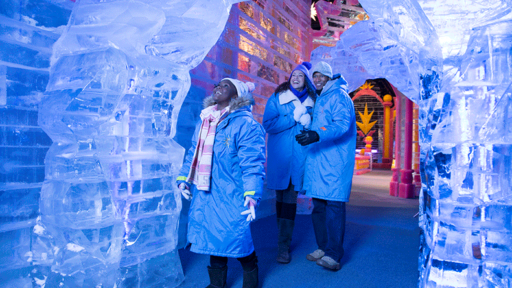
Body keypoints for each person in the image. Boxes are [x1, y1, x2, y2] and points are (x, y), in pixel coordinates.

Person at [177, 78, 266, 288]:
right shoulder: (205, 119)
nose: (218, 87)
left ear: (237, 95)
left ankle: (251, 272)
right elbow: (194, 152)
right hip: (206, 190)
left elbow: (252, 163)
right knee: (212, 237)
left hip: (232, 191)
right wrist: (184, 178)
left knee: (236, 236)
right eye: (217, 84)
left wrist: (252, 194)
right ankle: (217, 284)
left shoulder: (245, 124)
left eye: (226, 86)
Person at [295, 61, 356, 271]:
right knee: (319, 207)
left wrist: (317, 133)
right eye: (315, 76)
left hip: (335, 161)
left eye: (321, 75)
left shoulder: (339, 96)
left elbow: (341, 125)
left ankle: (334, 254)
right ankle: (323, 247)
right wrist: (309, 128)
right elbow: (323, 124)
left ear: (329, 77)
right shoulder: (323, 97)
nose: (317, 79)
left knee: (334, 207)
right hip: (321, 160)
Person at [262, 62, 316, 264]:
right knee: (281, 197)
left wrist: (308, 122)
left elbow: (316, 126)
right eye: (293, 75)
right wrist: (292, 119)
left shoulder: (313, 101)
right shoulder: (278, 98)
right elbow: (268, 124)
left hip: (300, 156)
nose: (296, 78)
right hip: (280, 156)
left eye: (300, 76)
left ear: (306, 81)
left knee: (290, 198)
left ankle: (283, 246)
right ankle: (281, 241)